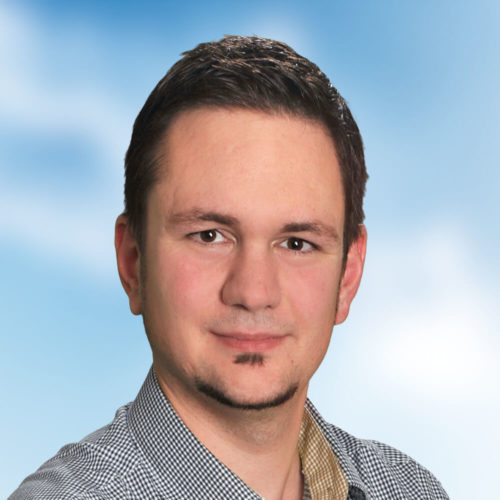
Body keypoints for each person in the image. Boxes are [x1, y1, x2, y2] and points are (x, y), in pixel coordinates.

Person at [10, 35, 449, 500]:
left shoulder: (409, 490)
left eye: (297, 243)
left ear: (348, 276)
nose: (254, 292)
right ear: (132, 262)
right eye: (209, 236)